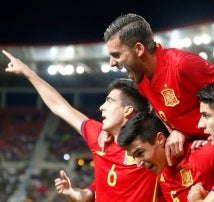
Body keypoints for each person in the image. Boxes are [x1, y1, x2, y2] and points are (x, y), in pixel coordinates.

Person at [103, 13, 214, 165]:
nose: (112, 63)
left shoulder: (181, 64)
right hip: (197, 156)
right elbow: (161, 116)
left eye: (116, 55)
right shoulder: (140, 80)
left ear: (139, 49)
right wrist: (111, 132)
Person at [2, 50, 160, 202]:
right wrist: (27, 72)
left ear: (127, 110)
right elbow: (60, 107)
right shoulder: (98, 137)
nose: (101, 107)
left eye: (109, 102)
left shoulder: (151, 147)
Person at [117, 111, 214, 202]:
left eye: (140, 153)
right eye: (133, 157)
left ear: (160, 139)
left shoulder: (205, 153)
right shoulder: (162, 173)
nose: (138, 164)